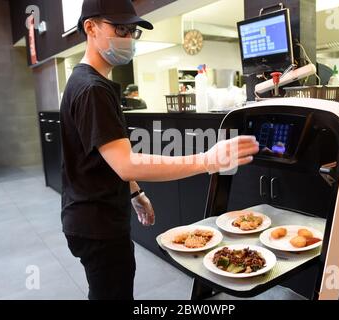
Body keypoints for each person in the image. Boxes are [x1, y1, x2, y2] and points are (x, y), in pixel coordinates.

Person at [60, 0, 259, 301]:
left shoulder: (90, 83)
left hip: (90, 217)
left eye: (131, 32)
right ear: (91, 27)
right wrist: (208, 159)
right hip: (97, 225)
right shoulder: (92, 89)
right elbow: (126, 164)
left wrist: (135, 192)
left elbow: (107, 159)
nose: (127, 39)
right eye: (120, 30)